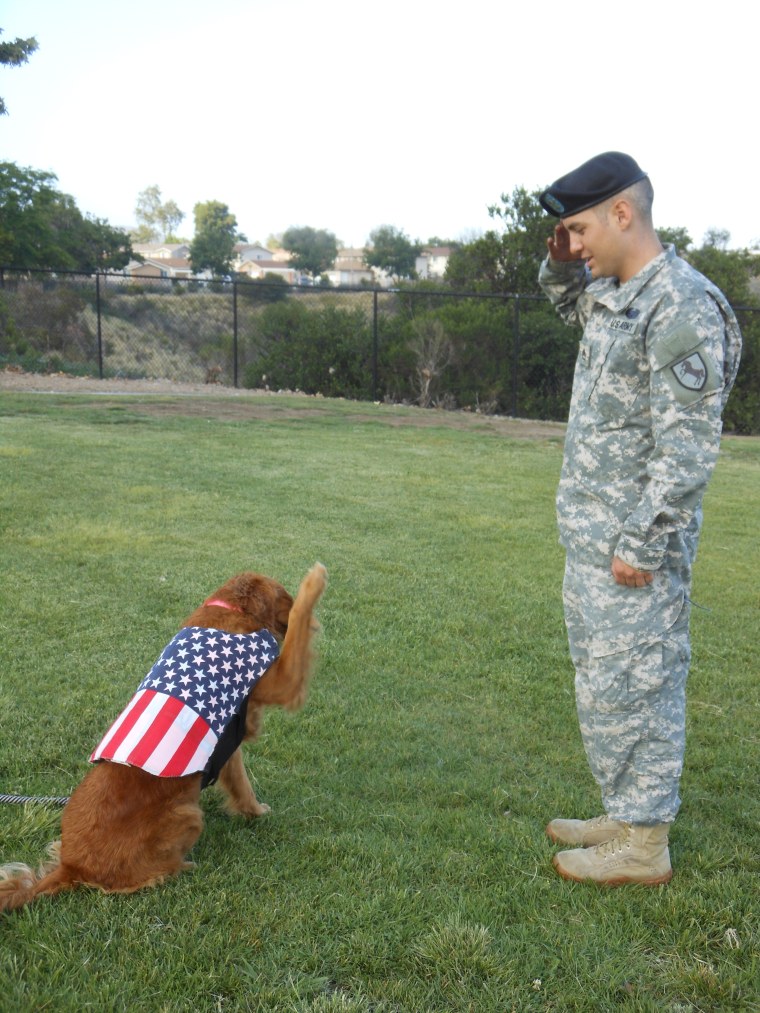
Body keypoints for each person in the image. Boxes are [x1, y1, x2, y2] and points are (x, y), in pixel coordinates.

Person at [537, 152, 742, 885]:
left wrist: (644, 541)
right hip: (593, 537)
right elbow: (565, 298)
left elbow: (687, 449)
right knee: (606, 682)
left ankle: (644, 842)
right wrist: (560, 256)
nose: (576, 243)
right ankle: (627, 811)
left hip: (633, 548)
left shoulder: (680, 305)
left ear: (624, 212)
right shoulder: (614, 293)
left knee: (642, 681)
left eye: (582, 227)